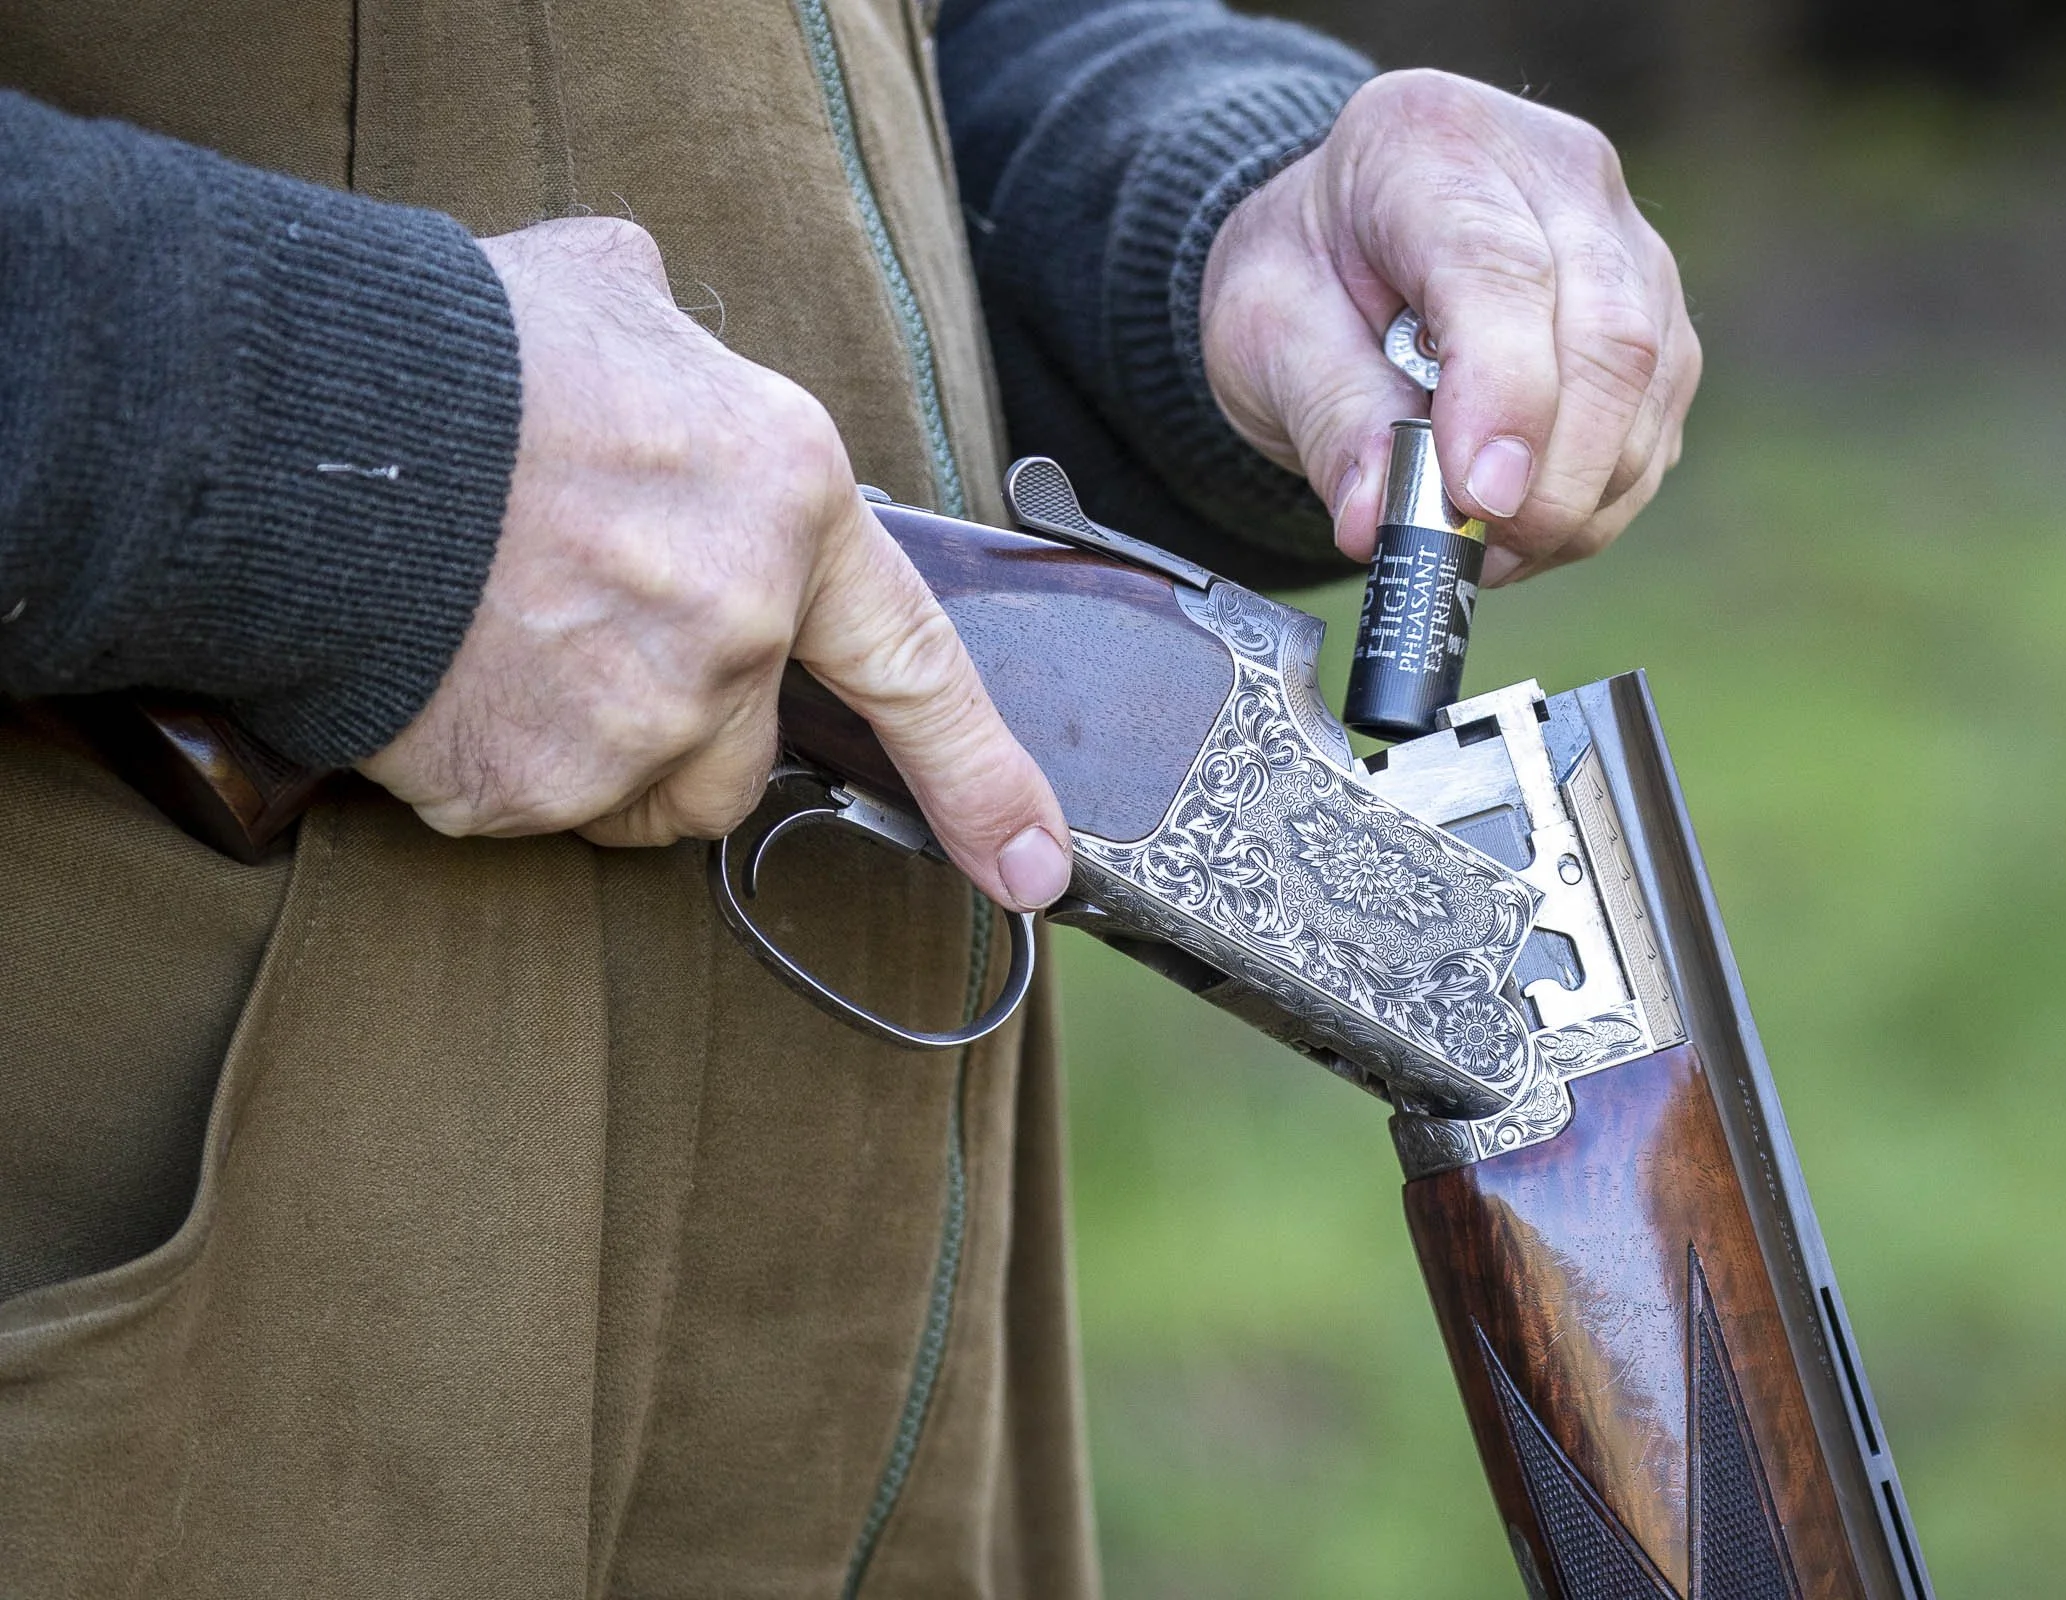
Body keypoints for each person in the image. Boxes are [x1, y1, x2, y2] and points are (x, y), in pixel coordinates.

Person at [0, 0, 1698, 1590]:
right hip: (195, 1321)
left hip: (875, 1361)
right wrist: (366, 441)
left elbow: (866, 77)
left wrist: (1232, 217)